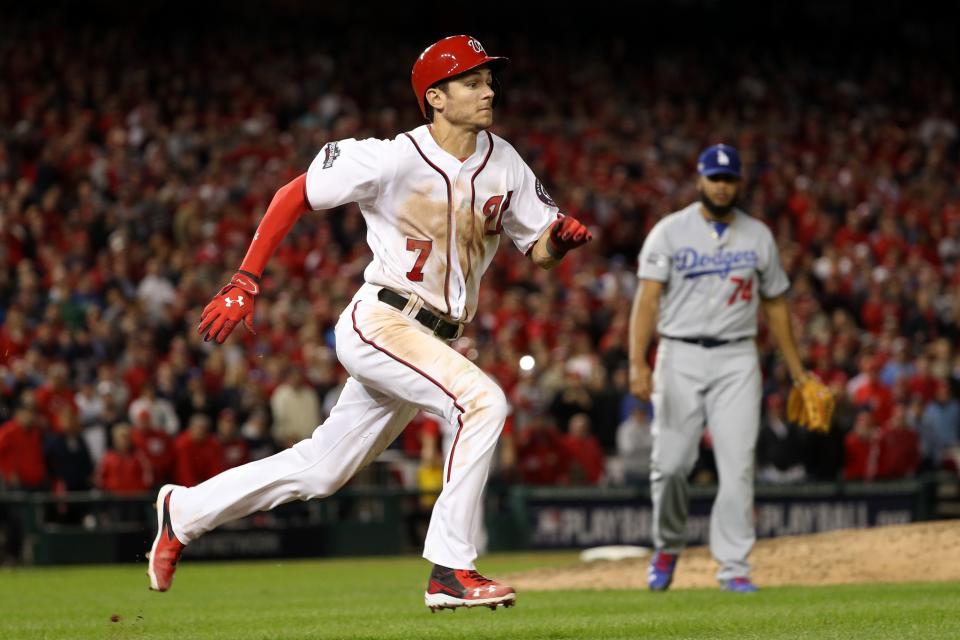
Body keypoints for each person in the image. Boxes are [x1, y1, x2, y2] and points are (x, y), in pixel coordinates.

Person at [147, 35, 592, 611]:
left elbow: (540, 250)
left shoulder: (503, 160)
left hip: (431, 338)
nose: (488, 89)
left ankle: (183, 512)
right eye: (473, 80)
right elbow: (293, 195)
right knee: (481, 403)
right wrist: (245, 279)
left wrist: (558, 241)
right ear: (435, 96)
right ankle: (451, 571)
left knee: (322, 469)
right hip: (383, 320)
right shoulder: (389, 157)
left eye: (488, 79)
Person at [629, 144, 810, 593]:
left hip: (737, 358)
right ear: (700, 179)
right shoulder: (669, 232)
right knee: (670, 465)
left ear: (739, 183)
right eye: (715, 178)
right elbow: (647, 301)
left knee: (738, 465)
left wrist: (799, 372)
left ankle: (733, 567)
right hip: (679, 353)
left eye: (729, 179)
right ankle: (668, 545)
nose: (722, 186)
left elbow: (777, 306)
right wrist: (637, 361)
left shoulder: (758, 236)